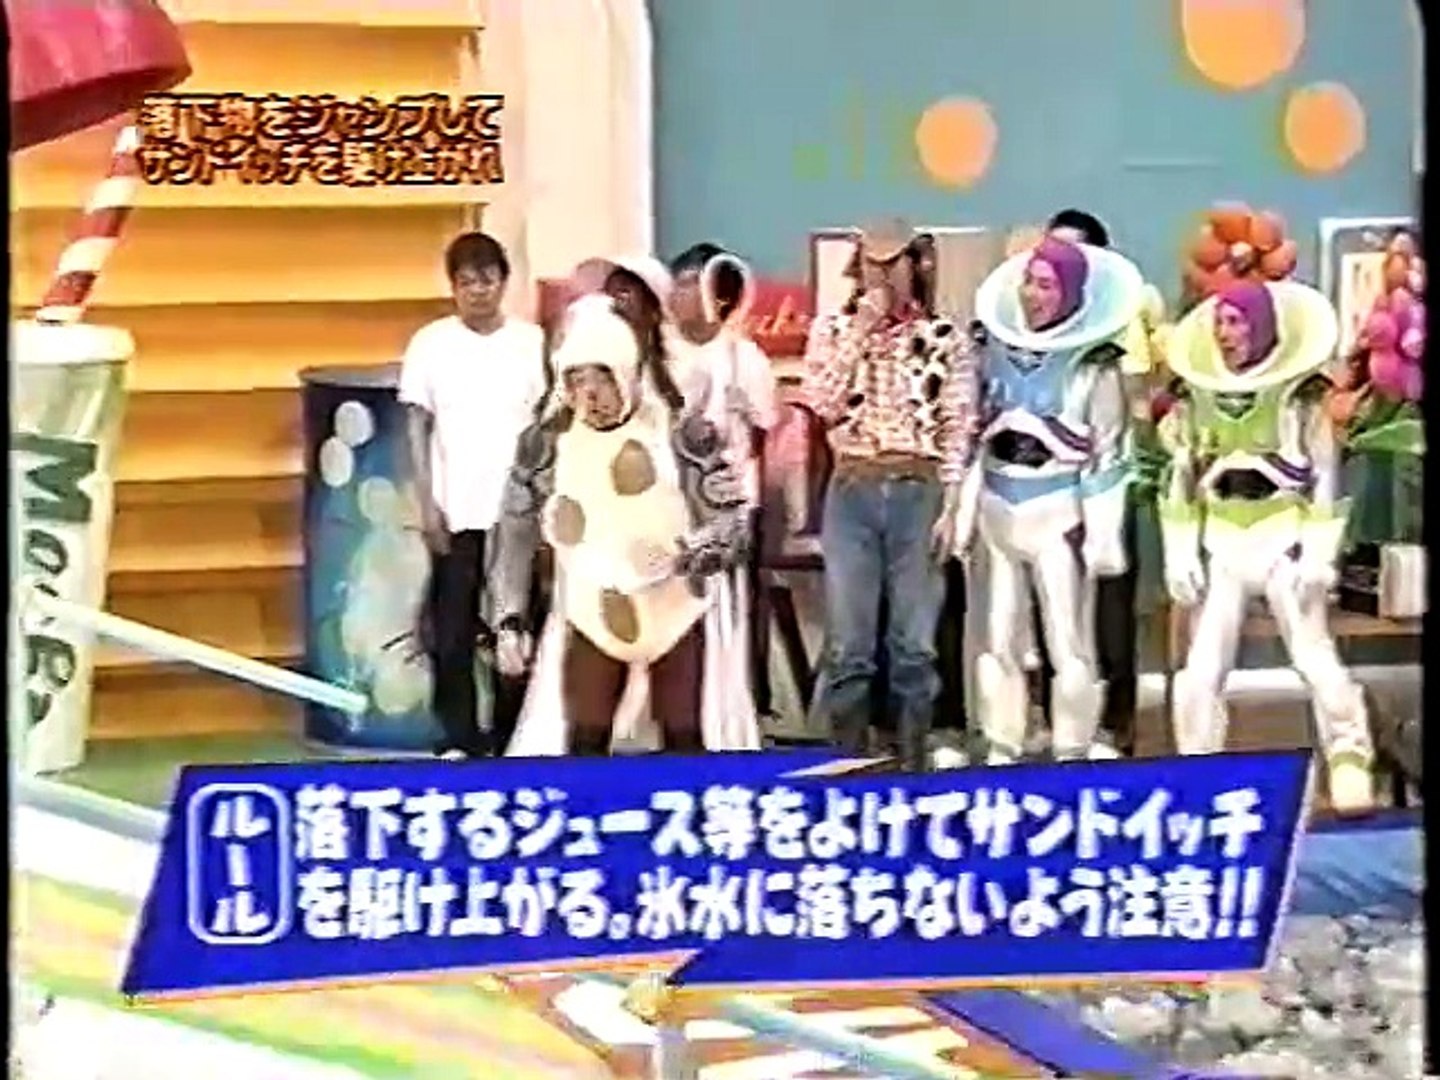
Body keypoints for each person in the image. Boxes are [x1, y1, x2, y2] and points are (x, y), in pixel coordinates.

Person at [489, 293, 754, 755]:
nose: (590, 395)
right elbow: (514, 532)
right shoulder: (546, 446)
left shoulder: (681, 435)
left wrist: (690, 554)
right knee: (585, 739)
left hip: (675, 610)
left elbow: (732, 524)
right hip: (594, 612)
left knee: (684, 739)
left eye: (601, 378)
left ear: (625, 373)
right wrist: (509, 617)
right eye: (576, 381)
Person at [1159, 278, 1375, 813]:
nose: (1224, 333)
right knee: (1199, 671)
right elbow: (1180, 479)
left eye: (1235, 322)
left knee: (1315, 659)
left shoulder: (1302, 399)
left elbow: (1325, 480)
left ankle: (1349, 755)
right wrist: (1180, 550)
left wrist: (1320, 554)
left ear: (1262, 326)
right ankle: (1198, 769)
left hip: (1284, 541)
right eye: (1220, 321)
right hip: (1221, 545)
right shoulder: (1195, 397)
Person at [801, 217, 979, 772]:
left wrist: (952, 503)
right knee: (849, 643)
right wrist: (862, 329)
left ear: (913, 265)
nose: (880, 275)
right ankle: (848, 760)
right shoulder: (833, 329)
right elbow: (821, 401)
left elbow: (957, 422)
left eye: (891, 263)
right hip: (853, 484)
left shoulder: (944, 336)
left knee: (914, 643)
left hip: (918, 487)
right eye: (870, 264)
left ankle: (912, 758)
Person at [958, 235, 1143, 764]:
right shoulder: (989, 351)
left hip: (1059, 516)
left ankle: (1071, 747)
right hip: (998, 510)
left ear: (1071, 293)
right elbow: (972, 439)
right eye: (1029, 283)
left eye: (1045, 285)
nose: (1032, 295)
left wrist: (1103, 534)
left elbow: (1108, 456)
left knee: (1068, 640)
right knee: (998, 638)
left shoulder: (1094, 367)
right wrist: (964, 512)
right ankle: (1002, 742)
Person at [398, 231, 547, 759]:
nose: (478, 291)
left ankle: (512, 735)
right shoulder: (430, 343)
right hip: (456, 506)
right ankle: (456, 736)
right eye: (466, 282)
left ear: (504, 282)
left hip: (520, 513)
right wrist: (425, 503)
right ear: (452, 287)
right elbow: (416, 427)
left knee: (516, 628)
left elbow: (548, 428)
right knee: (453, 630)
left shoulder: (532, 343)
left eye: (487, 280)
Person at [1018, 209, 1143, 757]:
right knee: (1053, 605)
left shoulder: (1122, 326)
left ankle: (1114, 723)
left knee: (1110, 608)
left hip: (1106, 485)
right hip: (1047, 490)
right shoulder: (1027, 329)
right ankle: (1057, 716)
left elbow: (1132, 402)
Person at [668, 242, 779, 716]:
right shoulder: (661, 354)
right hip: (671, 503)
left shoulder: (744, 357)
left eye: (691, 284)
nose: (680, 294)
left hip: (729, 505)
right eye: (677, 284)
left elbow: (765, 429)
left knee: (731, 614)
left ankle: (737, 710)